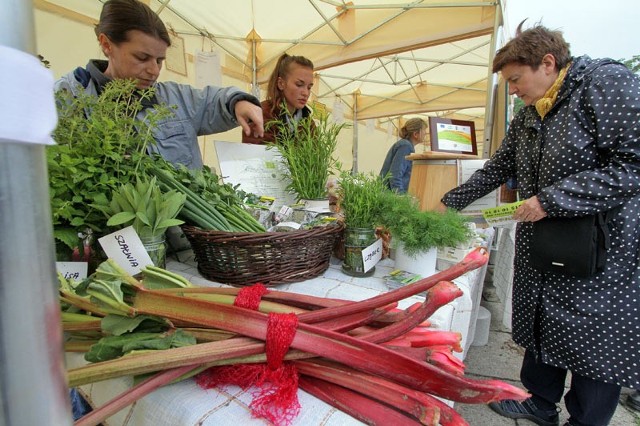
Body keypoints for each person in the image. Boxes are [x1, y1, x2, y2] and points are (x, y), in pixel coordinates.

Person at [438, 23, 640, 426]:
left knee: (591, 337)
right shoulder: (531, 112)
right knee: (541, 319)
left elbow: (632, 165)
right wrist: (448, 205)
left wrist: (551, 199)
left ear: (547, 63)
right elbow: (498, 167)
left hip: (595, 245)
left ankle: (586, 420)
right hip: (544, 240)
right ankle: (538, 401)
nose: (512, 90)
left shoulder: (604, 83)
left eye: (515, 79)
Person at [54, 0, 264, 170]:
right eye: (142, 57)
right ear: (107, 44)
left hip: (185, 223)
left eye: (159, 60)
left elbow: (211, 101)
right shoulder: (70, 98)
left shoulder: (173, 98)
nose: (154, 70)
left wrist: (238, 103)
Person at [242, 53, 314, 144]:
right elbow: (258, 155)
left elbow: (318, 154)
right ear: (281, 83)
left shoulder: (307, 121)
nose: (306, 93)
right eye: (299, 85)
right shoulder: (261, 114)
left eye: (309, 87)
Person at [379, 117, 427, 193]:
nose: (425, 133)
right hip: (390, 196)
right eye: (424, 130)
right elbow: (395, 175)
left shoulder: (406, 145)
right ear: (415, 134)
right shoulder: (405, 146)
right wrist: (400, 197)